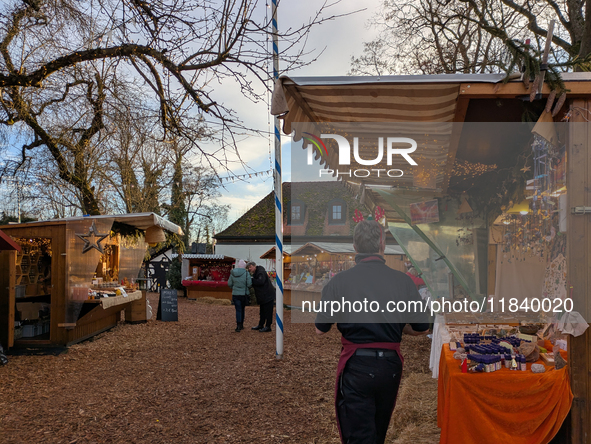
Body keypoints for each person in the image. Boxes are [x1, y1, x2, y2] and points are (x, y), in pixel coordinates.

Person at [315, 220, 430, 444]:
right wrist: (393, 325)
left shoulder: (338, 282)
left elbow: (321, 330)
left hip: (357, 365)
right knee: (378, 431)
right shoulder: (403, 281)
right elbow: (421, 328)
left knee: (358, 435)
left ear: (355, 247)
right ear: (383, 245)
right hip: (390, 366)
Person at [246, 261, 275, 332]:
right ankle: (261, 324)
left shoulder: (260, 272)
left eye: (250, 267)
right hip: (263, 296)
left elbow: (260, 282)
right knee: (262, 311)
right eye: (248, 268)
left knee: (268, 311)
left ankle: (268, 326)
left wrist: (251, 280)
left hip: (267, 295)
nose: (249, 269)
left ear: (254, 266)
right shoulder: (258, 272)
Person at [227, 260, 251, 332]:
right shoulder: (246, 273)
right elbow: (249, 284)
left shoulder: (232, 273)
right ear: (244, 266)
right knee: (242, 309)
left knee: (238, 309)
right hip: (243, 294)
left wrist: (234, 288)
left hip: (235, 294)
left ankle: (238, 325)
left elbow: (229, 284)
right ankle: (241, 325)